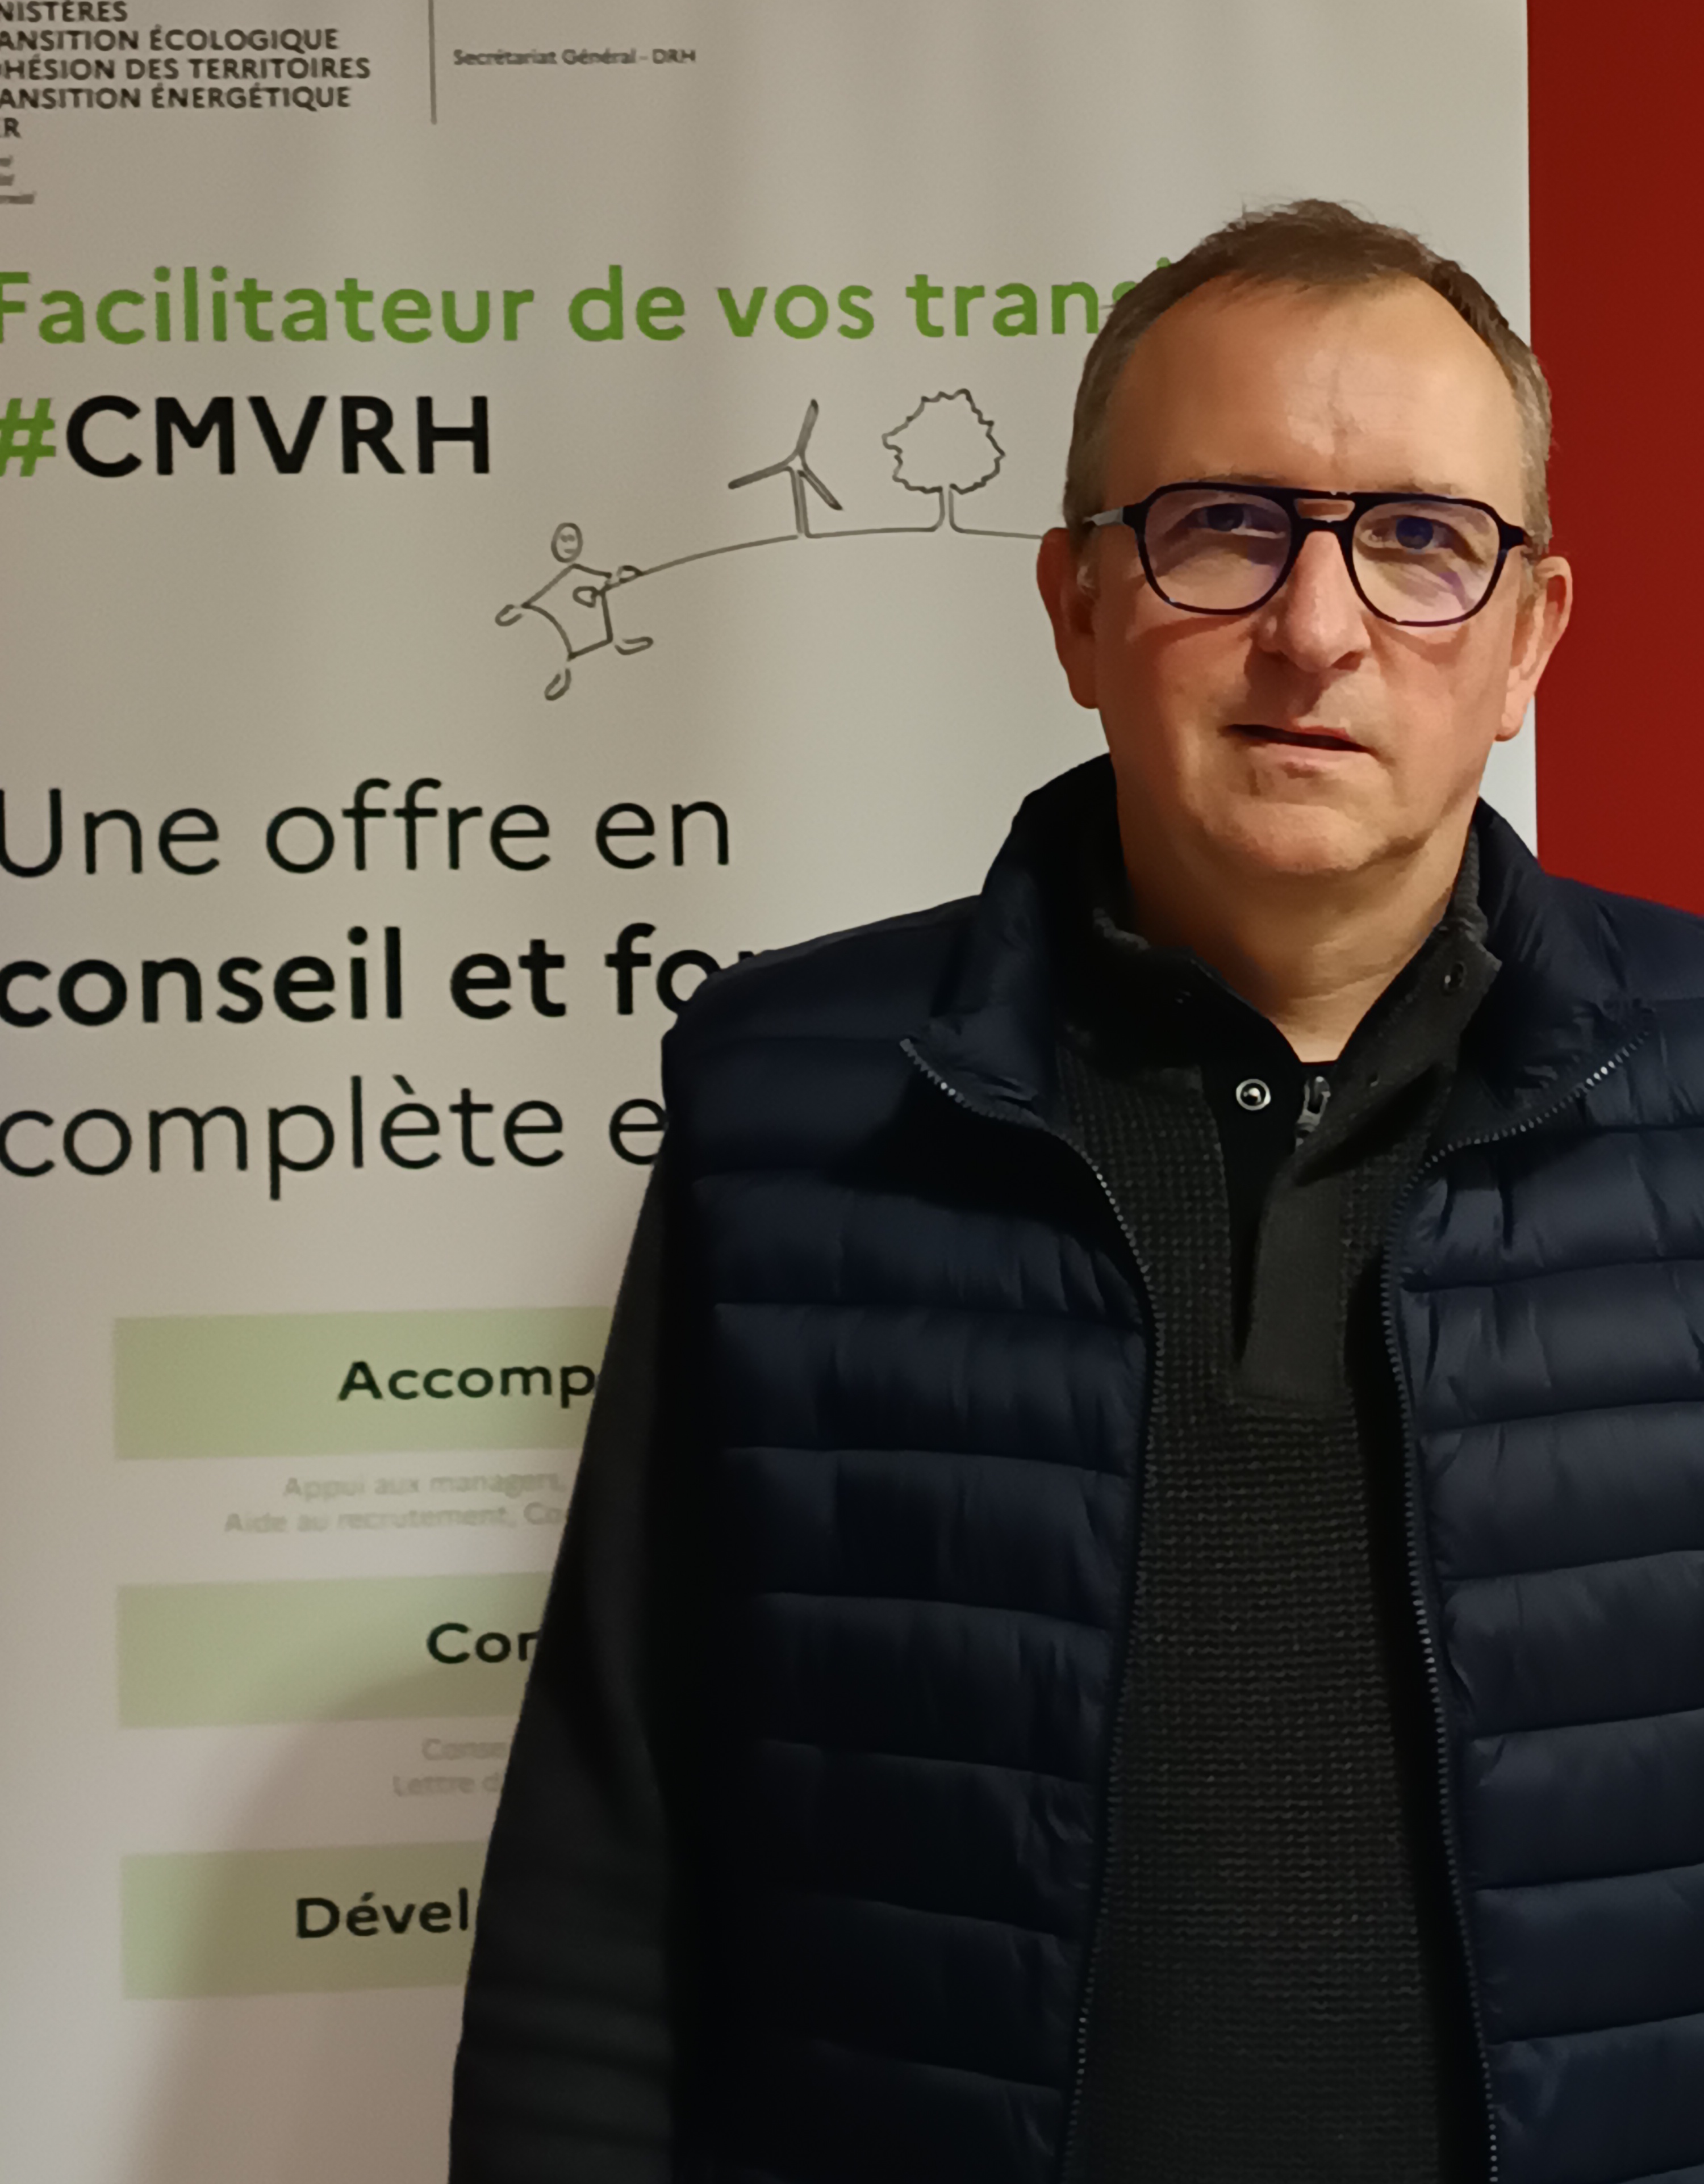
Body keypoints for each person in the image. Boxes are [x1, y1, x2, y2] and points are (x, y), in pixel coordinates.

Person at [450, 201, 1704, 2184]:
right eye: (1225, 526)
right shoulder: (792, 1104)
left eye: (1417, 539)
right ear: (1076, 607)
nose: (1318, 628)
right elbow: (611, 1877)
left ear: (1530, 636)